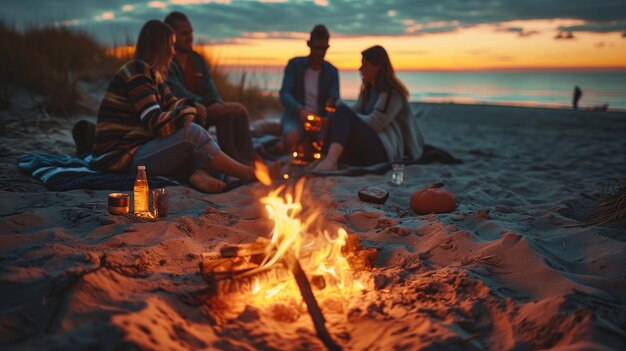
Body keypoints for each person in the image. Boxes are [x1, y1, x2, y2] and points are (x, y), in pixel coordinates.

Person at [91, 20, 258, 193]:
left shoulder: (155, 77)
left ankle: (199, 174)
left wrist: (193, 106)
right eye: (170, 45)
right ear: (160, 47)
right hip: (122, 157)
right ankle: (248, 173)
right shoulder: (137, 71)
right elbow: (157, 124)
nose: (172, 51)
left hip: (140, 148)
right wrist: (192, 111)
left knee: (203, 139)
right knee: (191, 134)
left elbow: (173, 104)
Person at [163, 11, 256, 166]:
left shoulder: (197, 59)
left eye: (191, 32)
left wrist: (217, 102)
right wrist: (208, 104)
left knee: (239, 109)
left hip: (204, 106)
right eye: (184, 34)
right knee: (224, 111)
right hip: (185, 111)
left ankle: (250, 158)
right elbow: (178, 92)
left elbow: (210, 86)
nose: (190, 37)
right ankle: (232, 161)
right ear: (171, 37)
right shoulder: (167, 61)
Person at [312, 45, 424, 171]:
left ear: (377, 67)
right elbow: (356, 111)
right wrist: (336, 107)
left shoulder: (392, 94)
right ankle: (324, 157)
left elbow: (376, 123)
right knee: (338, 113)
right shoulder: (368, 90)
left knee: (342, 112)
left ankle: (330, 161)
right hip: (369, 146)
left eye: (364, 65)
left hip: (383, 151)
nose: (360, 69)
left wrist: (344, 114)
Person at [279, 24, 340, 152]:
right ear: (309, 44)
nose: (320, 53)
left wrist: (327, 118)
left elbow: (334, 99)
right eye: (317, 48)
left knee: (329, 145)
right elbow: (284, 94)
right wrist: (300, 111)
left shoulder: (332, 71)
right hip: (295, 116)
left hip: (320, 121)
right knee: (292, 138)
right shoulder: (294, 65)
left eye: (324, 49)